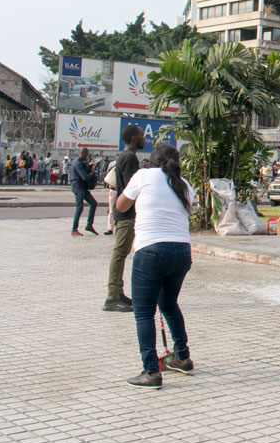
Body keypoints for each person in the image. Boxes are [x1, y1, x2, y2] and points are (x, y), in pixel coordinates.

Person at [116, 143, 195, 389]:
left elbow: (121, 205)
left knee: (143, 313)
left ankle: (151, 372)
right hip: (181, 252)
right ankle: (182, 356)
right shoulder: (184, 185)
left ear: (150, 161)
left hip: (150, 251)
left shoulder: (143, 176)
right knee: (169, 304)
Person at [104, 125, 145, 312]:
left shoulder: (124, 156)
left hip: (125, 212)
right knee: (120, 253)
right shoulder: (129, 158)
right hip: (126, 213)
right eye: (142, 136)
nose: (145, 139)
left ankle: (118, 293)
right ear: (134, 138)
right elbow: (132, 188)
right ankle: (112, 296)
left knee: (122, 252)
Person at [69, 148, 99, 236]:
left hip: (83, 187)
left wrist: (89, 166)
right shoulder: (77, 163)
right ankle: (74, 229)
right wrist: (92, 173)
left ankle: (89, 225)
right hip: (78, 187)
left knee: (93, 203)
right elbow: (84, 177)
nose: (87, 156)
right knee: (79, 207)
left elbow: (85, 169)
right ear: (82, 153)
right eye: (86, 154)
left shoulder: (81, 162)